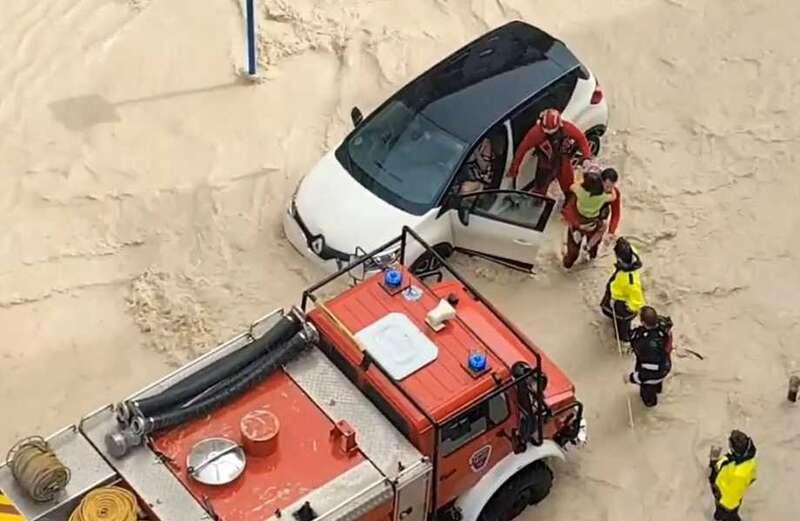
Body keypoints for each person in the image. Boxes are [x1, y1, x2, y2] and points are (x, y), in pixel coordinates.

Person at [507, 108, 593, 198]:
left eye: (553, 131)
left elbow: (581, 138)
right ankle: (538, 201)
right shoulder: (535, 133)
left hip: (563, 161)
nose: (551, 135)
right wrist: (514, 169)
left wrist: (586, 156)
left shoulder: (567, 128)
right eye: (547, 132)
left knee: (568, 186)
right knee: (540, 189)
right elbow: (522, 150)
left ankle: (568, 200)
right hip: (545, 164)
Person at [562, 167, 623, 268]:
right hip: (578, 224)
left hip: (595, 224)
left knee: (593, 253)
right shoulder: (586, 189)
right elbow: (568, 210)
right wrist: (578, 226)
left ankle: (588, 254)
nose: (608, 190)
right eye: (607, 186)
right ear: (600, 181)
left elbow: (616, 213)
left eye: (611, 187)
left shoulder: (613, 192)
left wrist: (611, 232)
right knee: (571, 257)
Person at [627, 306, 673, 407]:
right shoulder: (663, 324)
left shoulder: (647, 346)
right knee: (658, 383)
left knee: (648, 391)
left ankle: (650, 403)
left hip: (655, 371)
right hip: (665, 363)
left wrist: (632, 378)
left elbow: (648, 373)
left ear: (643, 322)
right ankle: (658, 389)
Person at [601, 237, 645, 343]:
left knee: (622, 329)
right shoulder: (631, 253)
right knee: (607, 309)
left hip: (621, 305)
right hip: (614, 293)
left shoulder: (631, 282)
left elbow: (638, 303)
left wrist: (626, 308)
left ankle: (625, 338)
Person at [709, 430, 758, 520]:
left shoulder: (739, 476)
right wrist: (716, 463)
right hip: (729, 487)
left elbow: (729, 500)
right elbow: (729, 460)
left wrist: (716, 489)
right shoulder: (745, 457)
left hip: (727, 505)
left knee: (726, 516)